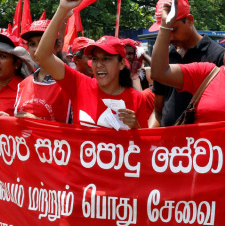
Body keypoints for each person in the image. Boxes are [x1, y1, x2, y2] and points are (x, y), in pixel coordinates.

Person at [35, 0, 148, 129]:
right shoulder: (79, 85)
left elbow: (144, 146)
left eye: (106, 58)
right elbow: (43, 56)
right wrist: (62, 9)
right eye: (95, 58)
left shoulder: (137, 98)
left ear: (121, 64)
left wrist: (136, 127)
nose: (99, 64)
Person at [149, 0, 224, 127]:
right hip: (169, 142)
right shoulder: (163, 58)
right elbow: (158, 111)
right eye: (164, 30)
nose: (169, 37)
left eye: (172, 29)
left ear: (189, 20)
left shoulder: (218, 56)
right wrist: (152, 139)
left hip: (202, 143)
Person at [8, 19, 72, 123]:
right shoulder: (23, 84)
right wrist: (7, 120)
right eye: (32, 44)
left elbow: (78, 134)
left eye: (43, 42)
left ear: (58, 46)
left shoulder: (70, 84)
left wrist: (36, 122)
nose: (36, 49)